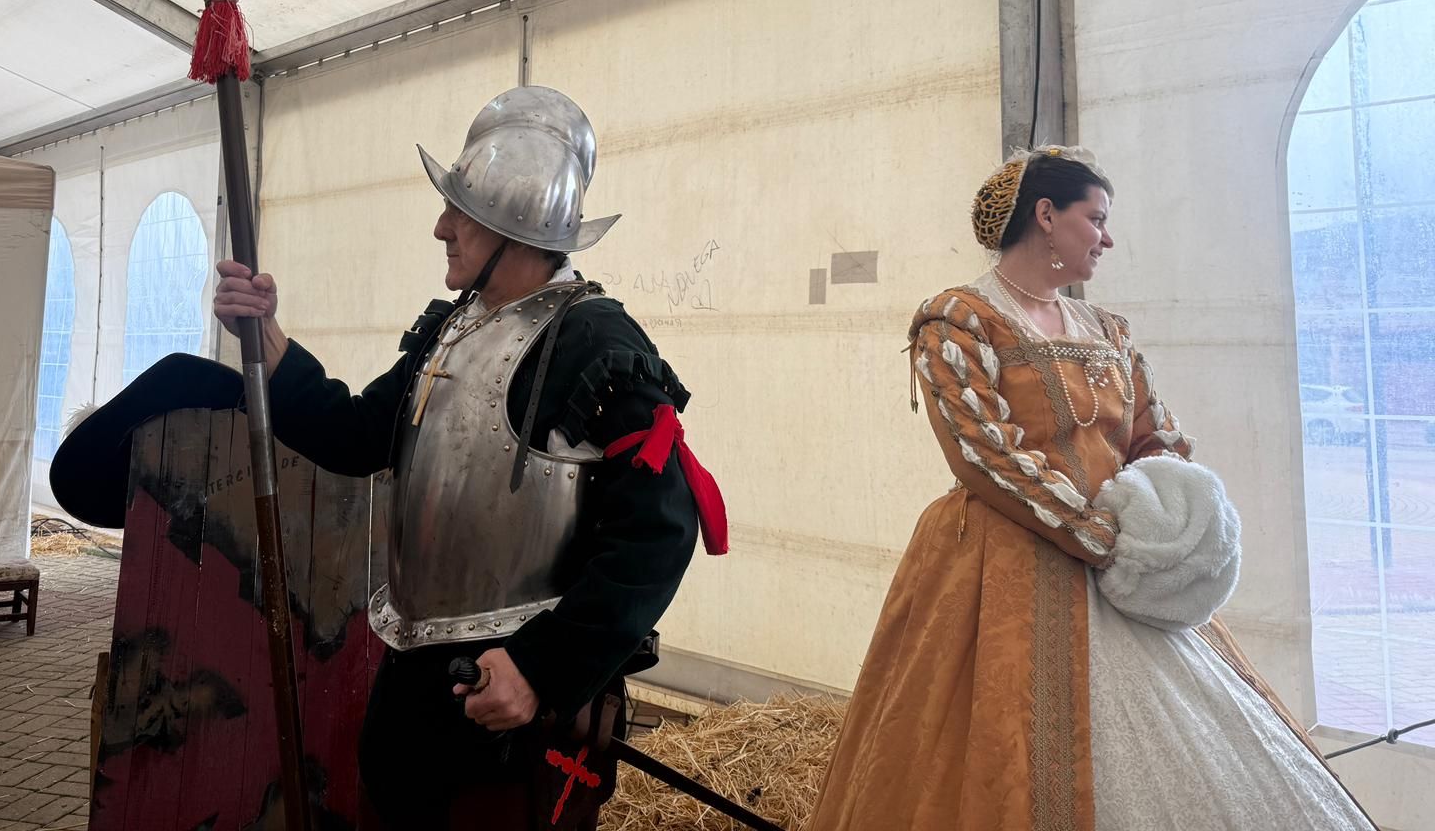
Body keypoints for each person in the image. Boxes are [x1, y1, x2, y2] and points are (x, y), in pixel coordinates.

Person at [808, 147, 1375, 831]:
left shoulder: (1107, 330)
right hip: (1001, 560)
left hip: (1127, 569)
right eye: (1096, 218)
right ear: (1047, 215)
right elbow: (981, 450)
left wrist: (1167, 525)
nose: (1107, 238)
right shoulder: (959, 319)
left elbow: (1156, 437)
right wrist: (1099, 537)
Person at [212, 85, 727, 830]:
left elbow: (659, 532)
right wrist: (270, 344)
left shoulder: (598, 345)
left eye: (461, 212)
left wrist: (541, 670)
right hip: (415, 683)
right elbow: (358, 435)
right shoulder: (454, 325)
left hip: (510, 713)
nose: (440, 228)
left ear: (513, 228)